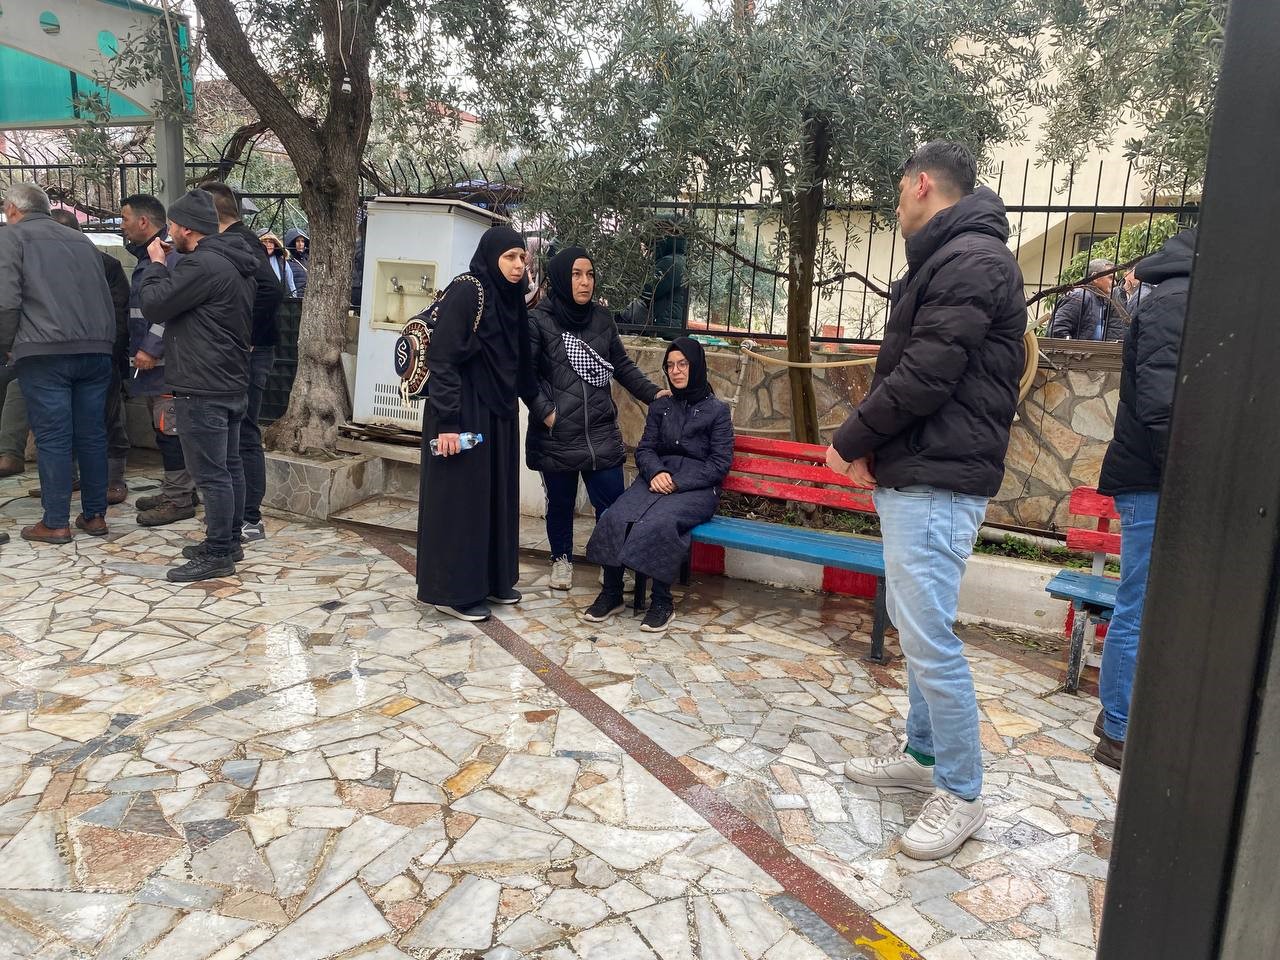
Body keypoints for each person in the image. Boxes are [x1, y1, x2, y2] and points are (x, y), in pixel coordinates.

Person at [827, 142, 1026, 861]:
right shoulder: (953, 257)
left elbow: (924, 376)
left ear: (920, 185)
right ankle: (921, 755)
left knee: (930, 641)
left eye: (896, 192)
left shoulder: (971, 260)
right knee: (916, 633)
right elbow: (918, 372)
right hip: (921, 472)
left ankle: (962, 792)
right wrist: (877, 449)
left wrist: (850, 440)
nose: (894, 206)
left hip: (939, 482)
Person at [1093, 227, 1196, 771]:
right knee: (1139, 606)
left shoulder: (1175, 299)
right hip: (1155, 481)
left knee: (1145, 604)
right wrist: (1190, 482)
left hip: (1154, 478)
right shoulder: (1177, 303)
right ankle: (1119, 730)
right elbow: (1163, 407)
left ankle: (1118, 718)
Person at [525, 246, 667, 590]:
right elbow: (525, 376)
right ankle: (561, 559)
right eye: (576, 275)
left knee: (612, 504)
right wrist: (548, 414)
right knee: (560, 503)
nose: (585, 282)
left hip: (600, 430)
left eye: (589, 274)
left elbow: (623, 366)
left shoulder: (602, 319)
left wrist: (653, 394)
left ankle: (611, 564)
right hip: (558, 433)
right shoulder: (539, 321)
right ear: (562, 278)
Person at [136, 189, 259, 582]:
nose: (168, 231)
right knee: (229, 466)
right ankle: (229, 541)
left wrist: (156, 263)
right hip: (229, 381)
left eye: (172, 224)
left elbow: (155, 304)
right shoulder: (233, 262)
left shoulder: (201, 265)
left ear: (186, 228)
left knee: (211, 474)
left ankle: (219, 551)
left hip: (201, 384)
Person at [417, 226, 536, 622]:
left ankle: (492, 579)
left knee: (494, 496)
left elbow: (518, 358)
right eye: (510, 257)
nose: (518, 265)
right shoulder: (468, 291)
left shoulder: (512, 297)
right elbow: (443, 358)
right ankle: (452, 591)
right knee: (461, 500)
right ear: (490, 258)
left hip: (497, 409)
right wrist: (448, 422)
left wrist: (536, 404)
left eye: (522, 257)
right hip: (462, 409)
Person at [584, 337, 734, 632]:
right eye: (670, 365)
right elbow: (645, 449)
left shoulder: (717, 411)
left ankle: (662, 602)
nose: (676, 371)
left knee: (660, 522)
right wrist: (656, 472)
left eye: (683, 364)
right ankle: (612, 593)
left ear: (696, 366)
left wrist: (677, 482)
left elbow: (719, 464)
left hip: (697, 488)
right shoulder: (661, 406)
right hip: (655, 479)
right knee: (615, 515)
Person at [0, 182, 116, 544]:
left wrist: (5, 346)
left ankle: (55, 522)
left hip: (44, 351)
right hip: (96, 349)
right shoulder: (81, 240)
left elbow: (6, 301)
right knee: (92, 435)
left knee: (53, 437)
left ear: (13, 210)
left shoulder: (11, 237)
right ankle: (94, 516)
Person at [200, 181, 284, 544]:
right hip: (244, 351)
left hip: (251, 352)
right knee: (236, 434)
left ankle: (249, 517)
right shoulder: (235, 240)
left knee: (244, 433)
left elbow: (272, 290)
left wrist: (246, 335)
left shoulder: (242, 241)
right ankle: (235, 515)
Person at [121, 193, 197, 526]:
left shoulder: (168, 256)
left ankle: (179, 499)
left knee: (171, 431)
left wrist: (151, 348)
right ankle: (179, 489)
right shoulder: (150, 256)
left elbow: (168, 308)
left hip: (168, 366)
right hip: (159, 366)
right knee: (166, 429)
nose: (122, 226)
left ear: (143, 221)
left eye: (124, 219)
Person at [49, 209, 132, 505]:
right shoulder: (44, 267)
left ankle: (113, 479)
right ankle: (68, 477)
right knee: (61, 420)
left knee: (106, 419)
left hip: (100, 354)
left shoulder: (106, 264)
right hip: (57, 354)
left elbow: (120, 313)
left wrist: (112, 353)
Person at [1050, 258, 1126, 341]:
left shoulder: (1100, 299)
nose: (1115, 283)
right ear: (1095, 277)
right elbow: (1058, 330)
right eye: (1110, 278)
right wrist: (1072, 348)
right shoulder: (1080, 296)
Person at [260, 231, 306, 298]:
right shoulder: (254, 260)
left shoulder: (282, 262)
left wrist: (293, 299)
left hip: (281, 300)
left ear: (275, 244)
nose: (268, 244)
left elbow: (290, 284)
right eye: (265, 242)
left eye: (271, 242)